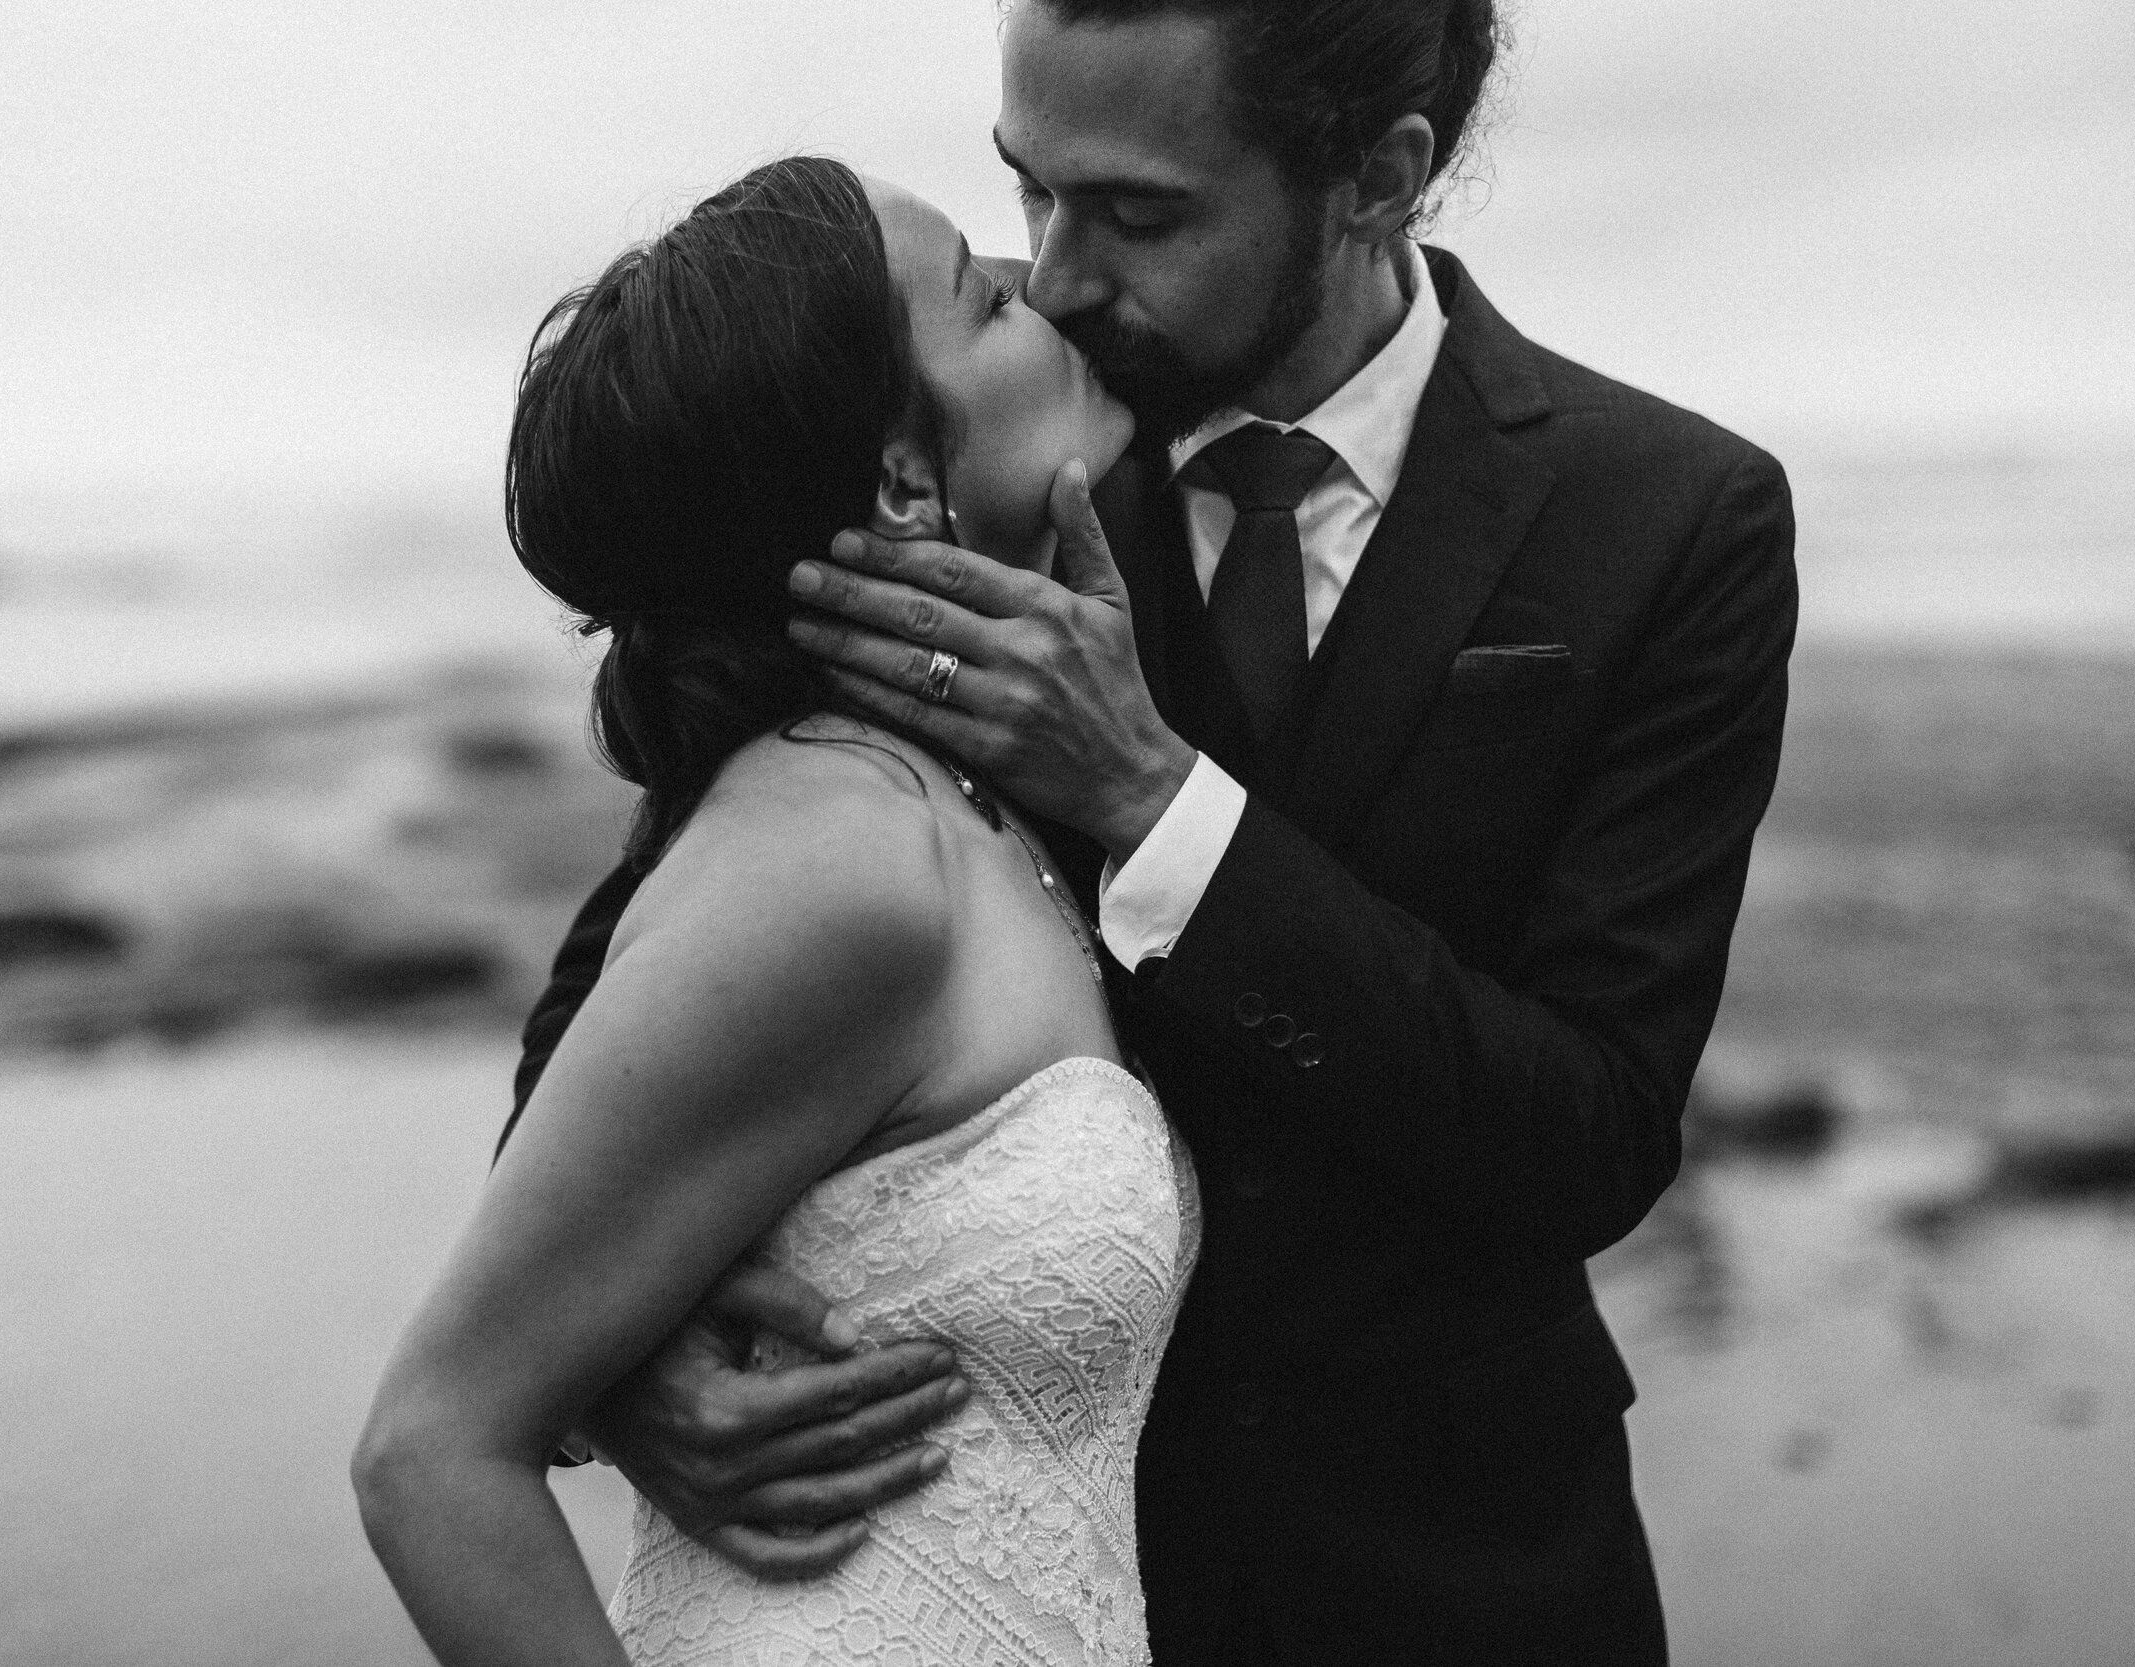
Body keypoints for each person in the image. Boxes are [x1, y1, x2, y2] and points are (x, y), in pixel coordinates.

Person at [518, 2, 1799, 1663]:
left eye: (1136, 216)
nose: (1052, 276)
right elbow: (625, 984)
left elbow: (1589, 1138)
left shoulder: (1671, 520)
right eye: (1027, 191)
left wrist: (1155, 804)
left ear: (1373, 177)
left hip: (1456, 1581)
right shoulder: (987, 446)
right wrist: (621, 1354)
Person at [353, 156, 1202, 1666]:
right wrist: (597, 1359)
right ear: (895, 478)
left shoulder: (970, 802)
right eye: (975, 296)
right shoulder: (840, 847)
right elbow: (428, 1450)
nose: (1035, 285)